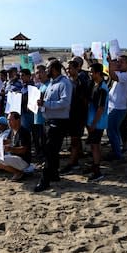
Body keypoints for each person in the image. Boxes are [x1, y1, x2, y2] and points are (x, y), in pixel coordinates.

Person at [34, 59, 72, 192]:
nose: (46, 71)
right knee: (51, 151)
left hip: (58, 122)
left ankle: (45, 181)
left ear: (54, 69)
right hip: (48, 121)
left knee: (50, 153)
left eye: (48, 68)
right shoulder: (50, 84)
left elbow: (65, 103)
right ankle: (54, 174)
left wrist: (46, 104)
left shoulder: (64, 83)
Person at [85, 63, 109, 181]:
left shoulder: (102, 88)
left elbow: (100, 108)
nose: (90, 74)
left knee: (95, 146)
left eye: (91, 72)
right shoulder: (95, 84)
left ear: (98, 73)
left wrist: (94, 124)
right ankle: (95, 166)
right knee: (95, 145)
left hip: (98, 123)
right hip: (93, 121)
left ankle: (97, 171)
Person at [106, 55, 127, 161]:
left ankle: (117, 154)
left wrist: (110, 64)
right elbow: (109, 72)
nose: (119, 63)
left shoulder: (125, 76)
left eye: (122, 62)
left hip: (118, 108)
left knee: (111, 131)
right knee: (114, 131)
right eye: (118, 61)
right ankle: (116, 151)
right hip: (115, 107)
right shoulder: (121, 74)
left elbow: (112, 75)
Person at [0, 112, 31, 181]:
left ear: (18, 120)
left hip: (23, 160)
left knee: (1, 161)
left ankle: (19, 173)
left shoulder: (23, 132)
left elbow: (23, 150)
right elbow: (7, 141)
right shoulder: (12, 130)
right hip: (15, 157)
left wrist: (10, 149)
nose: (8, 122)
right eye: (8, 120)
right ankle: (17, 171)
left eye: (10, 120)